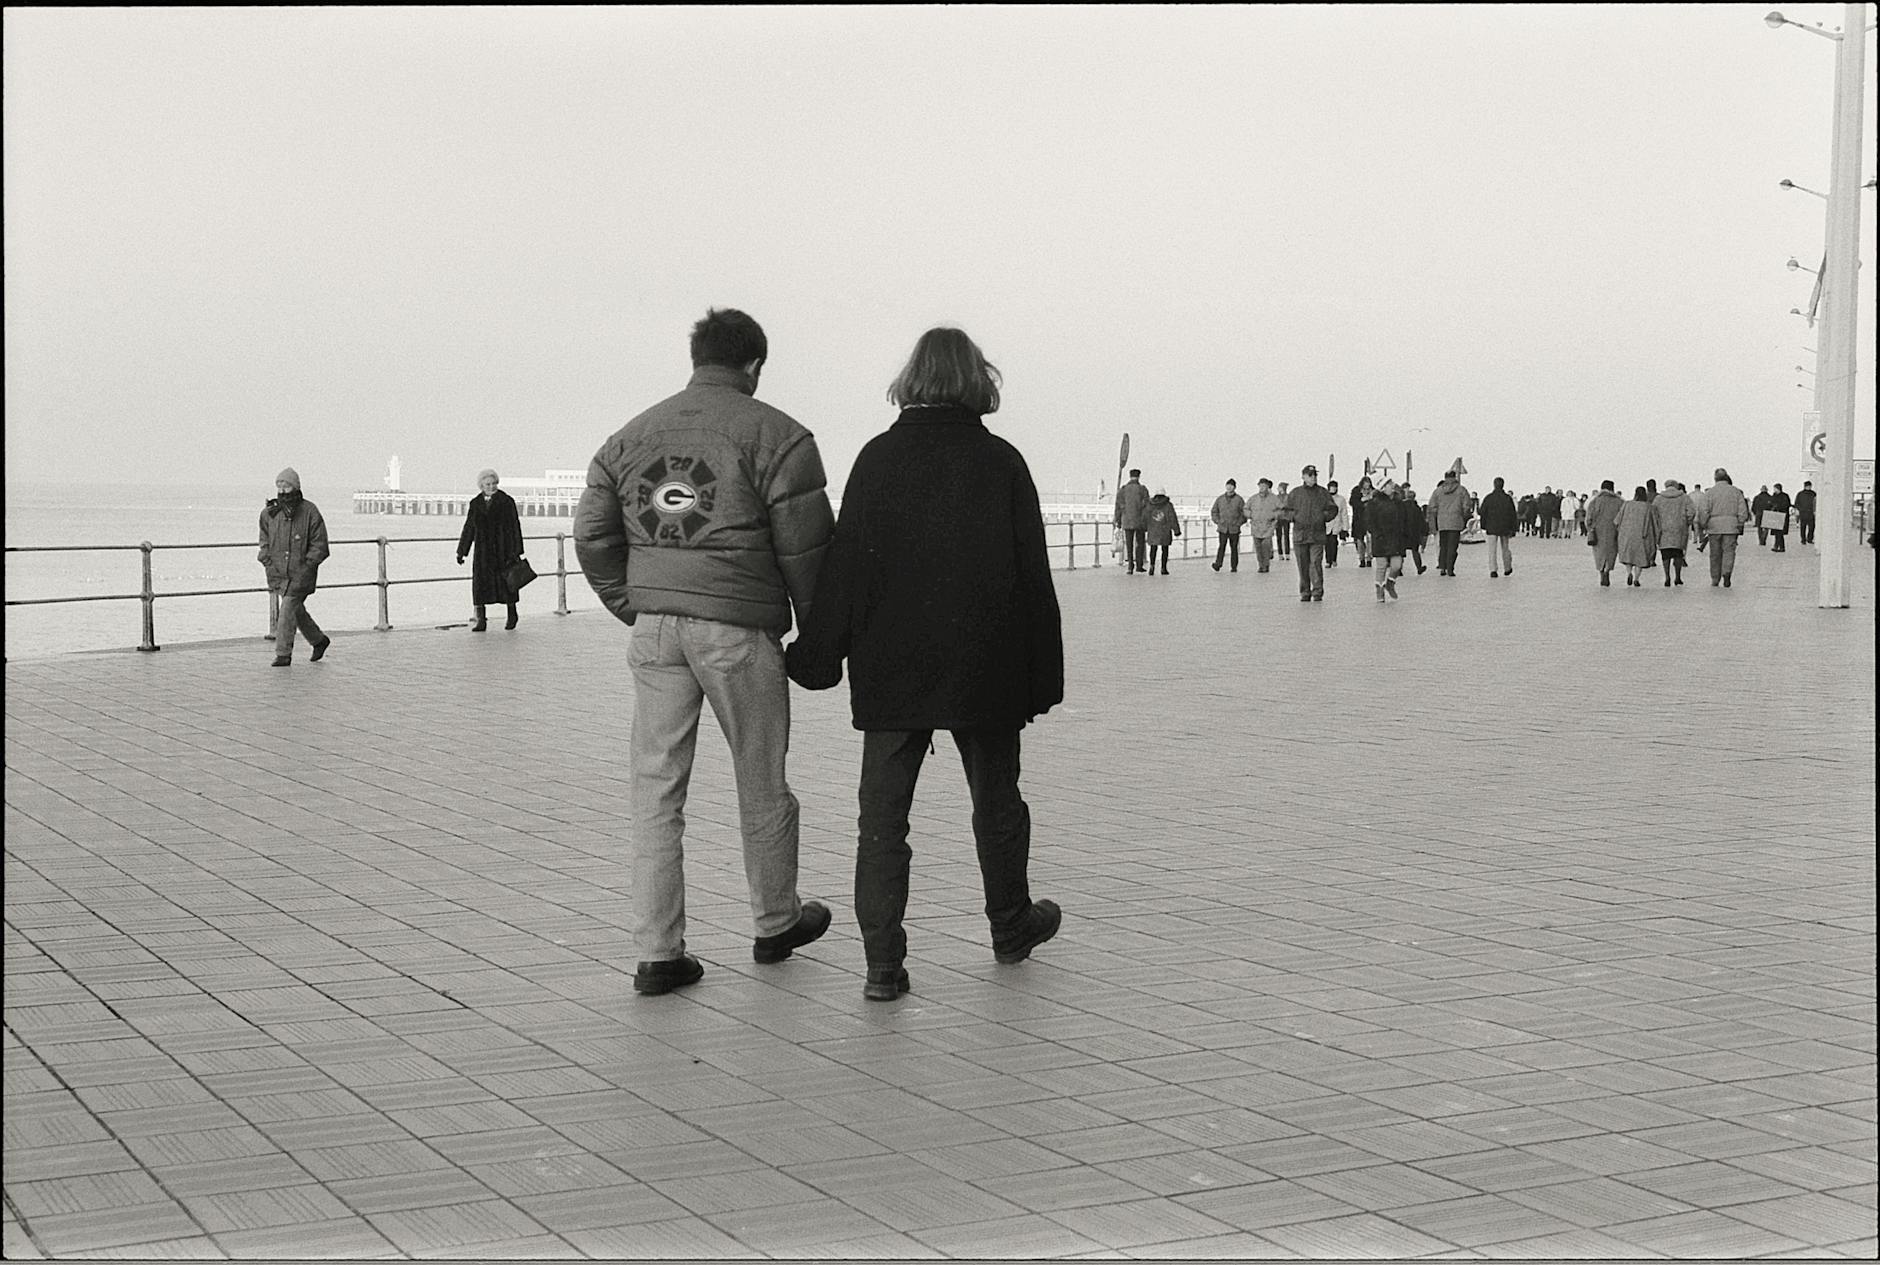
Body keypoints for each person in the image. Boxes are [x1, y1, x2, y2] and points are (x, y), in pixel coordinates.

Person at [786, 327, 1064, 1002]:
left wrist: (816, 655)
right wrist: (1043, 677)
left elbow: (845, 566)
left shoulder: (878, 460)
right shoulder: (1001, 463)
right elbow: (1033, 577)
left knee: (882, 820)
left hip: (893, 667)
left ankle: (883, 966)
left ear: (911, 381)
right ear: (978, 381)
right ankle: (1009, 926)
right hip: (985, 665)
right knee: (997, 802)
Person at [573, 308, 835, 996]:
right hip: (738, 631)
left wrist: (634, 601)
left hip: (656, 629)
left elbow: (592, 534)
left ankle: (660, 952)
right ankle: (776, 920)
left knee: (656, 787)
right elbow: (806, 553)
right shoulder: (779, 436)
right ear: (754, 365)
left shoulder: (629, 436)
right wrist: (818, 635)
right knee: (760, 775)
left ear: (696, 359)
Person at [258, 468, 331, 667]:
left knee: (287, 608)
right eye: (279, 486)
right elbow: (264, 541)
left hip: (301, 574)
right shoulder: (269, 514)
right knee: (295, 610)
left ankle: (283, 654)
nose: (282, 491)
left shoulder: (310, 512)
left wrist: (308, 565)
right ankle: (319, 640)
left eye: (286, 486)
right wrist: (266, 560)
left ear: (296, 486)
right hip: (278, 573)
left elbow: (320, 544)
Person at [456, 469, 526, 631]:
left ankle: (512, 614)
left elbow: (515, 527)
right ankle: (481, 620)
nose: (491, 487)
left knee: (507, 584)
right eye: (488, 484)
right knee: (480, 585)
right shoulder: (475, 503)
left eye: (494, 483)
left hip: (503, 549)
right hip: (483, 552)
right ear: (481, 485)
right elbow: (469, 528)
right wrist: (462, 551)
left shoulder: (507, 501)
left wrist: (516, 551)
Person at [1279, 464, 1338, 601]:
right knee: (1303, 565)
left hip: (1317, 535)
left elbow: (1333, 509)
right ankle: (1305, 592)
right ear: (1303, 477)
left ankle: (1317, 591)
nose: (1313, 478)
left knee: (1316, 563)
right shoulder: (1295, 493)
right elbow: (1285, 511)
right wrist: (1294, 517)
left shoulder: (1323, 492)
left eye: (1315, 475)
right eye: (1310, 475)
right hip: (1300, 535)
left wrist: (1323, 517)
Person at [1694, 467, 1751, 587]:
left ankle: (1715, 578)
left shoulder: (1709, 493)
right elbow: (1742, 510)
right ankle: (1727, 573)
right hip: (1731, 526)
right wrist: (1740, 522)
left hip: (1714, 527)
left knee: (1715, 554)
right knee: (1729, 551)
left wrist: (1704, 524)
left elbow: (1704, 511)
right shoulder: (1736, 492)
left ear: (1715, 479)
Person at [1368, 478, 1412, 602]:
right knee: (1381, 566)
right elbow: (1370, 521)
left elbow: (1405, 520)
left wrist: (1406, 535)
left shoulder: (1399, 502)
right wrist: (1376, 533)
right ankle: (1379, 592)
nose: (1391, 486)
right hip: (1381, 539)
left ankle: (1390, 582)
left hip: (1396, 539)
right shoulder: (1374, 503)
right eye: (1388, 484)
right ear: (1382, 488)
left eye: (1391, 483)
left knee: (1397, 565)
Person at [1652, 478, 1696, 586]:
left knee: (1666, 554)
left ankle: (1667, 577)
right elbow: (1691, 511)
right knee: (1678, 553)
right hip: (1679, 529)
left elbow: (1653, 512)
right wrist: (1687, 522)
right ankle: (1677, 577)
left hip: (1664, 530)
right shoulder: (1684, 498)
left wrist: (1657, 525)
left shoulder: (1659, 499)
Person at [1615, 486, 1660, 587]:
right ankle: (1636, 578)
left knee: (1628, 557)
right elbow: (1655, 523)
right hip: (1643, 536)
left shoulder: (1627, 504)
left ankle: (1629, 573)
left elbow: (1617, 520)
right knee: (1640, 559)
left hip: (1627, 535)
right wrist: (1657, 538)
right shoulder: (1649, 507)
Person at [1430, 469, 1472, 576]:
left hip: (1442, 523)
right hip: (1456, 522)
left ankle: (1442, 567)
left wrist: (1436, 518)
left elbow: (1432, 507)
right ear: (1455, 477)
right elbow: (1467, 505)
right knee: (1453, 546)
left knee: (1443, 545)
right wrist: (1462, 515)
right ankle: (1450, 568)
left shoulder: (1438, 491)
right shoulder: (1462, 490)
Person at [1585, 479, 1624, 586]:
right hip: (1614, 531)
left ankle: (1601, 571)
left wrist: (1590, 529)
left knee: (1599, 553)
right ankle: (1607, 569)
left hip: (1598, 532)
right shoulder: (1620, 502)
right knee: (1611, 552)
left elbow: (1588, 518)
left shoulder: (1595, 501)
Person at [1478, 476, 1517, 578]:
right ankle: (1507, 567)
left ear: (1494, 485)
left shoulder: (1488, 498)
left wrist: (1483, 525)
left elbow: (1483, 512)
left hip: (1491, 527)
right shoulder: (1507, 498)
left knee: (1492, 549)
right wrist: (1513, 528)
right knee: (1505, 548)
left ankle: (1493, 570)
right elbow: (1513, 514)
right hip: (1505, 527)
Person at [1114, 468, 1150, 575]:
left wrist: (1118, 521)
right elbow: (1147, 506)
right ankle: (1139, 565)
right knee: (1140, 543)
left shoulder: (1123, 490)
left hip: (1127, 521)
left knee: (1129, 544)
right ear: (1139, 476)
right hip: (1140, 521)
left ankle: (1130, 565)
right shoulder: (1142, 489)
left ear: (1130, 476)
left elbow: (1118, 507)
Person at [1244, 477, 1282, 573]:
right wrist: (1250, 515)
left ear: (1267, 487)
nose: (1262, 488)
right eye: (1260, 486)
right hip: (1256, 527)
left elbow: (1281, 509)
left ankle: (1266, 565)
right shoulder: (1253, 499)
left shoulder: (1274, 498)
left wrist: (1274, 516)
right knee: (1258, 548)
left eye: (1264, 486)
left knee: (1266, 547)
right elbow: (1246, 509)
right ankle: (1261, 565)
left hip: (1268, 527)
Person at [1210, 478, 1246, 572]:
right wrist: (1218, 521)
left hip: (1234, 528)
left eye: (1231, 485)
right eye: (1228, 485)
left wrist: (1239, 523)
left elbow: (1244, 513)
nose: (1229, 487)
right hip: (1223, 528)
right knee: (1221, 546)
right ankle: (1218, 564)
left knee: (1234, 548)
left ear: (1234, 487)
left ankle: (1234, 566)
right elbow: (1214, 511)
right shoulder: (1220, 499)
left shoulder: (1239, 500)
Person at [1144, 488, 1181, 575]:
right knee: (1165, 549)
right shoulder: (1168, 505)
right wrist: (1176, 530)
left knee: (1153, 548)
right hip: (1165, 530)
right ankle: (1163, 568)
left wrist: (1144, 528)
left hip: (1153, 530)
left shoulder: (1150, 505)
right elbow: (1172, 518)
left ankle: (1152, 566)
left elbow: (1145, 517)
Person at [1400, 482, 1429, 573]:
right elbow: (1421, 521)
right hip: (1414, 533)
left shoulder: (1401, 507)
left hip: (1403, 532)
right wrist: (1424, 531)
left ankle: (1399, 569)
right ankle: (1419, 568)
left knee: (1400, 552)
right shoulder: (1416, 508)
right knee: (1415, 551)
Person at [1350, 476, 1374, 568]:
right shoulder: (1356, 491)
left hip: (1370, 519)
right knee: (1359, 540)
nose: (1367, 485)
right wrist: (1362, 500)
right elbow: (1352, 502)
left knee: (1370, 539)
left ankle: (1369, 558)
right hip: (1359, 519)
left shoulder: (1374, 491)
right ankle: (1361, 559)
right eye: (1365, 483)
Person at [1324, 479, 1347, 566]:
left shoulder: (1341, 499)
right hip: (1327, 523)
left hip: (1337, 523)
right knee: (1327, 543)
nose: (1333, 489)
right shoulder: (1325, 498)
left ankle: (1333, 559)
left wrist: (1345, 528)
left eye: (1334, 487)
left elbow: (1344, 513)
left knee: (1333, 542)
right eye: (1331, 487)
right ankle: (1327, 560)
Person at [1767, 483, 1792, 553]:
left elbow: (1786, 505)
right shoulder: (1774, 496)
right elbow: (1770, 503)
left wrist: (1777, 507)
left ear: (1778, 489)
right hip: (1775, 516)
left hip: (1781, 516)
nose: (1774, 490)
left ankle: (1778, 546)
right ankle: (1780, 546)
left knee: (1779, 532)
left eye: (1775, 488)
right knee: (1777, 532)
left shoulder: (1784, 496)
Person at [1795, 479, 1818, 545]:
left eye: (1809, 486)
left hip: (1809, 512)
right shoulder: (1801, 494)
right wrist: (1800, 509)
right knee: (1803, 527)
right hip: (1804, 513)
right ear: (1805, 486)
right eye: (1808, 486)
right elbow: (1796, 503)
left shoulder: (1813, 493)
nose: (1809, 487)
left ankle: (1809, 539)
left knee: (1811, 527)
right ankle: (1803, 539)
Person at [1274, 481, 1292, 558]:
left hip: (1286, 518)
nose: (1278, 488)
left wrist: (1283, 506)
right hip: (1278, 518)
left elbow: (1289, 506)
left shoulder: (1288, 497)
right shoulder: (1276, 497)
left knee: (1286, 536)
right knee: (1279, 536)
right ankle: (1280, 553)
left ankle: (1287, 553)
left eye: (1279, 487)